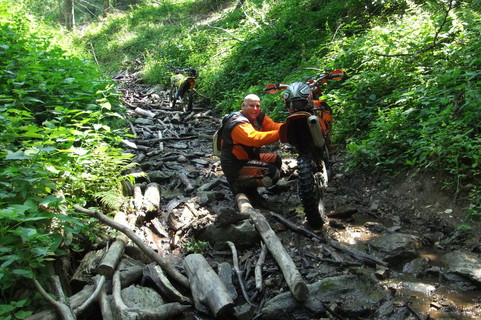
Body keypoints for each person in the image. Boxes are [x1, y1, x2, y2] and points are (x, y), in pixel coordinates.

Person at [220, 94, 284, 202]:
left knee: (275, 160)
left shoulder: (258, 117)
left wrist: (289, 126)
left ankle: (254, 188)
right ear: (243, 105)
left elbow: (273, 126)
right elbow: (255, 139)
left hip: (249, 158)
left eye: (257, 106)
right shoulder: (237, 123)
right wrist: (284, 132)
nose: (255, 109)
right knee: (273, 173)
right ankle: (239, 186)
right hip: (235, 165)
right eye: (251, 106)